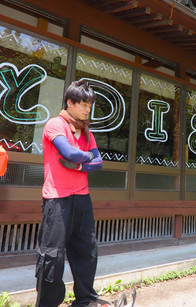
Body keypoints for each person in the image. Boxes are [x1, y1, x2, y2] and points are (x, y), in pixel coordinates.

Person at [35, 80, 103, 307]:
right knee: (52, 256)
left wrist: (80, 164)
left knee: (87, 252)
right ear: (70, 102)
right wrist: (85, 158)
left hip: (83, 198)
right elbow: (68, 152)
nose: (87, 109)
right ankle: (48, 303)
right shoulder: (55, 125)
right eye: (83, 104)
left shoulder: (86, 132)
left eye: (89, 105)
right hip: (57, 198)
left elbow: (98, 162)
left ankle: (86, 300)